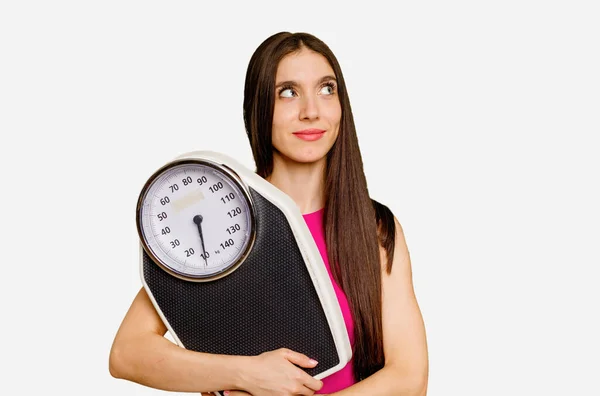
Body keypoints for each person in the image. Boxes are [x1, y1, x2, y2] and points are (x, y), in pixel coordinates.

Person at [109, 31, 429, 396]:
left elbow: (409, 378)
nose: (312, 110)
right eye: (288, 92)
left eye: (327, 89)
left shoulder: (374, 229)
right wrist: (244, 373)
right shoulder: (223, 218)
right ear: (259, 108)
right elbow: (127, 353)